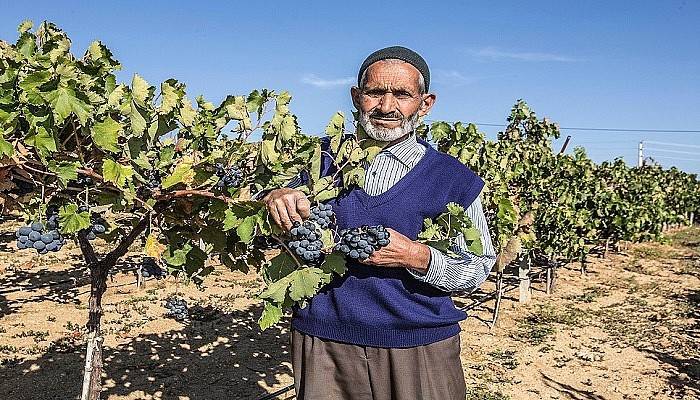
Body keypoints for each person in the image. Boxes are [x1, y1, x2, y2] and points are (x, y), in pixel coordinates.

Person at [262, 46, 496, 400]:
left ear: (425, 103)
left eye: (402, 94)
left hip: (418, 344)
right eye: (375, 93)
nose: (387, 107)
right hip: (324, 340)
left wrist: (418, 256)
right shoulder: (314, 160)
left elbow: (478, 266)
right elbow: (265, 210)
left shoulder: (453, 179)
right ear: (357, 97)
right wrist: (274, 197)